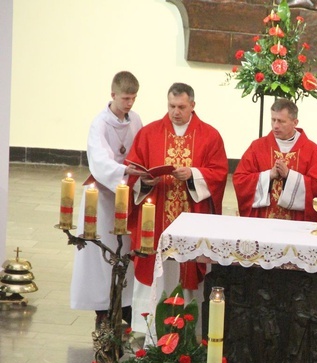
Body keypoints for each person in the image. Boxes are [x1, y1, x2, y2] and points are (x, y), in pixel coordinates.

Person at [126, 83, 228, 342]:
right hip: (157, 216)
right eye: (171, 106)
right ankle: (148, 328)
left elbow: (219, 173)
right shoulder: (149, 133)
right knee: (155, 268)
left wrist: (193, 174)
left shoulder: (210, 135)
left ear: (193, 105)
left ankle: (188, 330)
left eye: (181, 107)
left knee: (187, 268)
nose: (175, 112)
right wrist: (144, 182)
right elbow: (134, 169)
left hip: (190, 217)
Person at [70, 71, 143, 329]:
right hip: (102, 197)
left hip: (127, 195)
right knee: (101, 256)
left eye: (133, 98)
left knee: (127, 252)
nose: (130, 103)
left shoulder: (136, 120)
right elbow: (99, 162)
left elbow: (141, 150)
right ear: (113, 95)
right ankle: (102, 309)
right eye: (126, 98)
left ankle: (125, 306)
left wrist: (141, 172)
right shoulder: (99, 123)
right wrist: (124, 171)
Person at [233, 99, 317, 220]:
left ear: (295, 122)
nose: (275, 126)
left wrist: (289, 175)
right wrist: (268, 176)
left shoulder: (313, 151)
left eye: (281, 121)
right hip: (263, 222)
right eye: (273, 120)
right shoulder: (257, 147)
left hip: (296, 224)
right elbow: (240, 180)